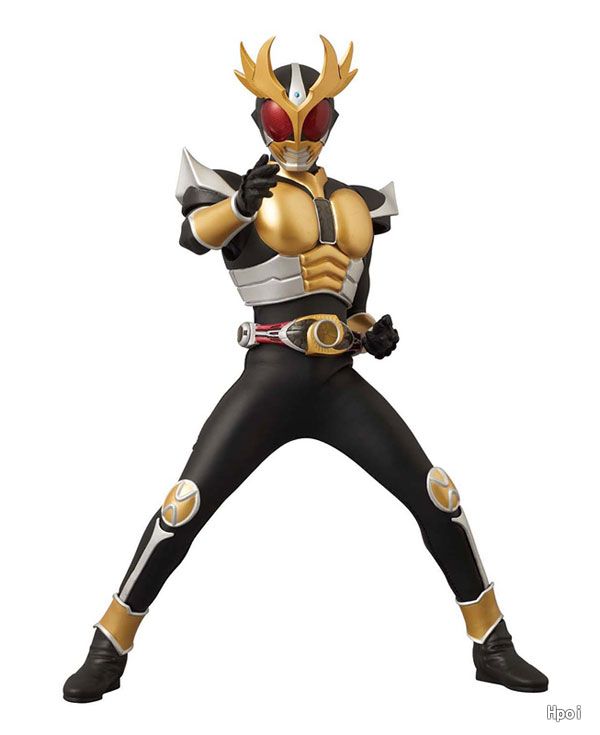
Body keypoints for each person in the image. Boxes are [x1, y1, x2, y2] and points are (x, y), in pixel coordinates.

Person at [63, 36, 548, 703]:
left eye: (311, 119)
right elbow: (193, 237)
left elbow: (354, 298)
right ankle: (108, 645)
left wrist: (370, 333)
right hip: (270, 375)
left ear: (330, 121)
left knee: (437, 495)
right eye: (281, 120)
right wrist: (242, 204)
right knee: (184, 507)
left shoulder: (356, 203)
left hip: (336, 379)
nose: (295, 134)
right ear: (261, 121)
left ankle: (491, 642)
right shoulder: (236, 190)